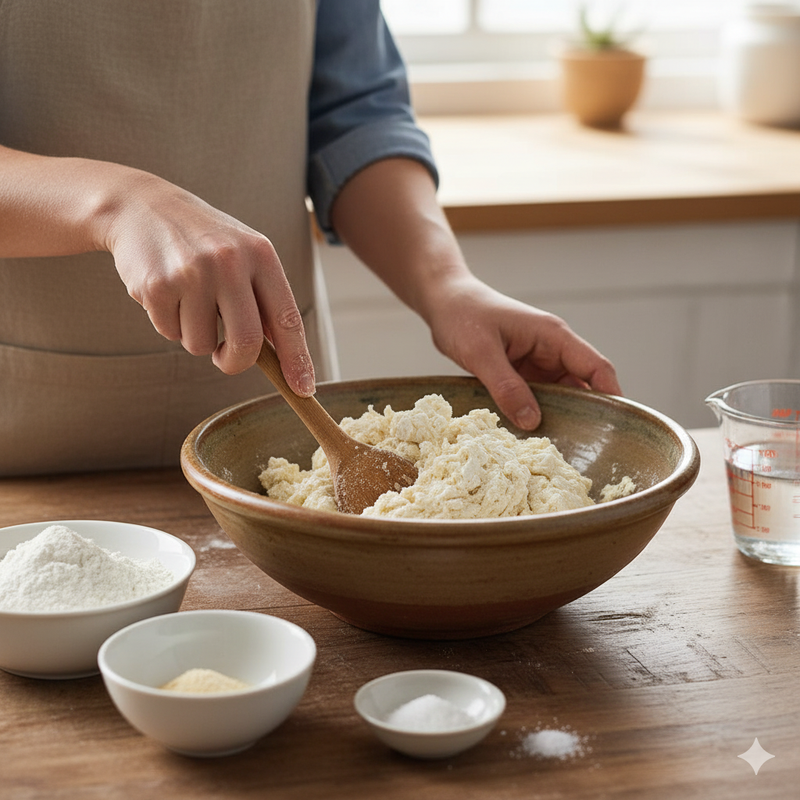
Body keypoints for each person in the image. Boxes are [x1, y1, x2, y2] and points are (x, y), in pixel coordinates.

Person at [0, 0, 620, 477]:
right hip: (26, 442)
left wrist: (447, 286)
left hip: (277, 427)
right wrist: (117, 204)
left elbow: (353, 110)